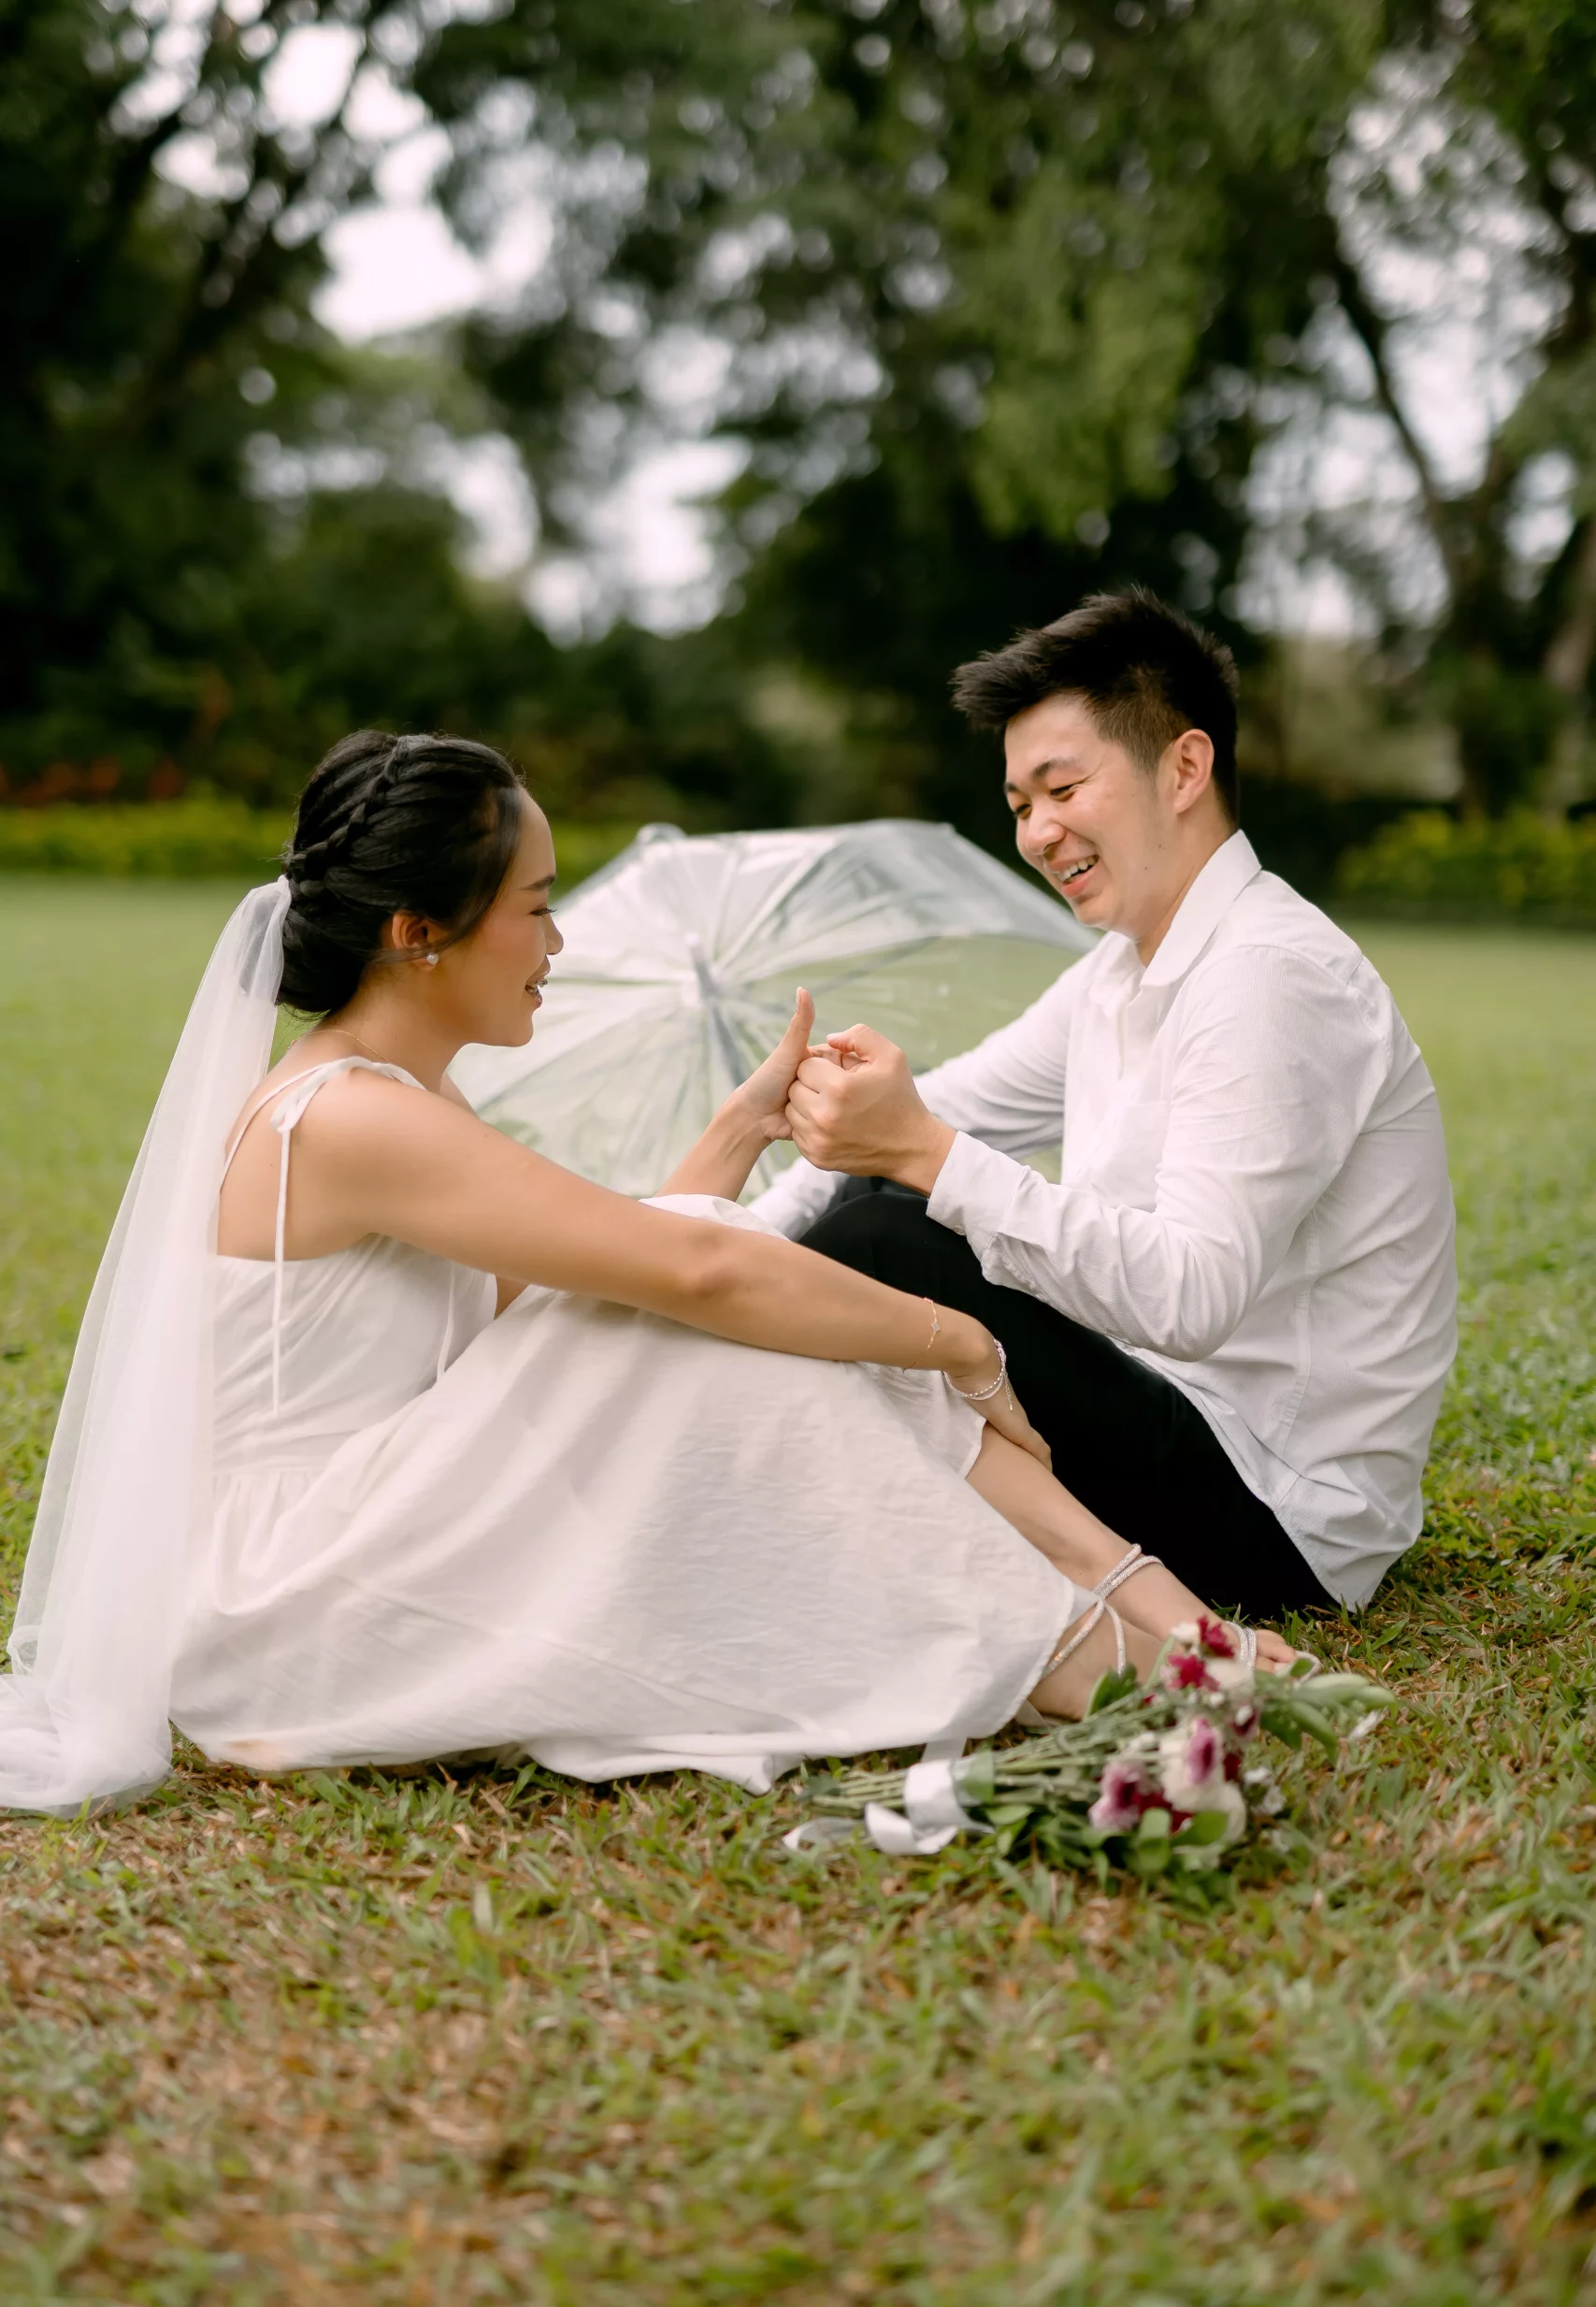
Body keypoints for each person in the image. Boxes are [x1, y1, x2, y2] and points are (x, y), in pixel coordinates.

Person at [1, 728, 1298, 1819]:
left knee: (722, 1314)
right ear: (418, 932)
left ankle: (1155, 1624)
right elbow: (681, 1273)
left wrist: (735, 1136)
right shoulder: (348, 1118)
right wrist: (963, 1342)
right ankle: (1107, 1649)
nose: (557, 940)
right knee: (741, 1319)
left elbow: (590, 1293)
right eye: (535, 906)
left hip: (363, 1522)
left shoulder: (394, 1098)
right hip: (286, 1600)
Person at [751, 591, 1459, 1622]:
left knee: (888, 1237)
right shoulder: (1120, 969)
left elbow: (1190, 1297)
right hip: (1160, 1410)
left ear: (1184, 768)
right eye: (1019, 805)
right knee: (876, 1211)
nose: (1039, 833)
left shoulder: (1270, 973)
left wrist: (922, 1151)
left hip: (1274, 1511)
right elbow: (944, 1109)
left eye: (1063, 788)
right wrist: (736, 1222)